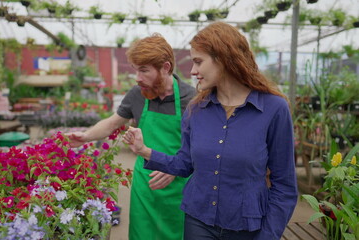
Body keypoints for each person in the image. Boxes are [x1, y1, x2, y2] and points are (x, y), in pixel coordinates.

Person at [123, 22, 298, 240]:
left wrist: (268, 235)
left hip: (247, 228)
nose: (193, 71)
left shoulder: (273, 109)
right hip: (198, 223)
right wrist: (144, 150)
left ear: (224, 58)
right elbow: (184, 164)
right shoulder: (196, 110)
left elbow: (285, 187)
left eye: (198, 61)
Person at [66, 34, 196, 240]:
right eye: (136, 70)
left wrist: (175, 168)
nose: (137, 77)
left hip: (179, 189)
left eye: (144, 70)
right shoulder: (138, 94)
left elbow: (200, 147)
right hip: (146, 187)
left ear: (165, 67)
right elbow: (112, 122)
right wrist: (85, 136)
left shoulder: (192, 99)